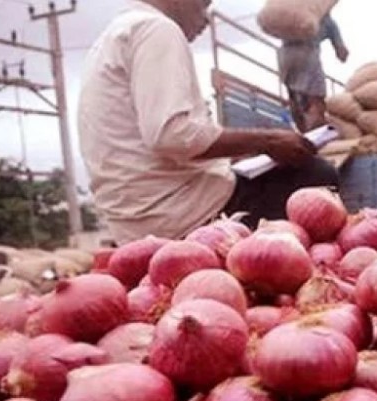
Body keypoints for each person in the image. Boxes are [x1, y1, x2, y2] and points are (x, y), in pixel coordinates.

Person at [78, 0, 339, 245]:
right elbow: (172, 135)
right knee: (315, 175)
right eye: (203, 5)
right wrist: (268, 141)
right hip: (183, 215)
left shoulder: (111, 37)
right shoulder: (157, 29)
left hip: (134, 223)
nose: (205, 21)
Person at [278, 13, 349, 132]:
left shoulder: (293, 14)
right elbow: (342, 53)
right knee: (316, 101)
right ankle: (314, 139)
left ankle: (303, 134)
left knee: (294, 99)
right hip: (308, 55)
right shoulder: (326, 20)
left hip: (285, 57)